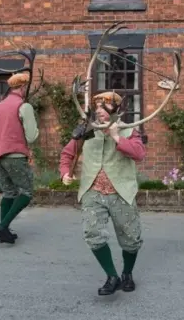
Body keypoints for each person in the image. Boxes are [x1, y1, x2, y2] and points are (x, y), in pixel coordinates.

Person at [59, 92, 145, 296]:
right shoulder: (87, 131)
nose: (99, 110)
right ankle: (112, 276)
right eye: (96, 107)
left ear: (116, 108)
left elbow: (139, 154)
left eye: (104, 106)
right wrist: (64, 172)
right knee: (93, 234)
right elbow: (68, 153)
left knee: (131, 239)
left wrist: (116, 136)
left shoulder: (128, 130)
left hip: (121, 191)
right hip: (92, 191)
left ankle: (127, 273)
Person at [0, 72, 39, 244]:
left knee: (9, 192)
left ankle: (4, 233)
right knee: (27, 192)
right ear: (23, 87)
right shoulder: (24, 106)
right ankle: (2, 226)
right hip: (15, 155)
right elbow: (31, 136)